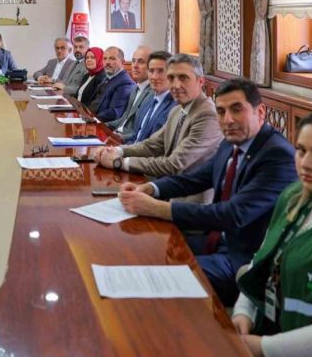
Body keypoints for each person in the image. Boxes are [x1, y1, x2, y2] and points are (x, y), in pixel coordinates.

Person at [117, 78, 297, 305]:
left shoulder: (277, 156)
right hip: (215, 240)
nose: (228, 120)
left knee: (160, 277)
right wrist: (150, 188)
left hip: (242, 258)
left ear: (260, 112)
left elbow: (232, 214)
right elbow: (195, 179)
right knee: (145, 248)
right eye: (221, 112)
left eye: (237, 109)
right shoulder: (230, 142)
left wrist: (158, 208)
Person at [232, 110, 312, 357]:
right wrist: (243, 311)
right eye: (301, 150)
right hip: (271, 334)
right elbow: (261, 261)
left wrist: (263, 347)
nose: (306, 163)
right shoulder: (294, 197)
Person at [94, 54, 222, 189]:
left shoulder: (208, 115)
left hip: (186, 197)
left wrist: (119, 162)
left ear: (200, 81)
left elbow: (174, 165)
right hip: (162, 187)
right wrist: (116, 150)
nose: (176, 85)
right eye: (171, 78)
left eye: (183, 78)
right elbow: (151, 145)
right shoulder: (177, 110)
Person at [125, 51, 176, 144]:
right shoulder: (148, 99)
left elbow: (159, 147)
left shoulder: (175, 106)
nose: (154, 77)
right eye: (151, 71)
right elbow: (136, 136)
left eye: (161, 71)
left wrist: (123, 151)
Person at [106, 46, 154, 139]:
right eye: (133, 61)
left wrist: (120, 138)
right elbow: (124, 120)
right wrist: (101, 125)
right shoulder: (135, 88)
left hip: (127, 141)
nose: (135, 66)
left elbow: (141, 131)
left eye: (141, 62)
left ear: (151, 66)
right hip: (116, 134)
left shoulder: (153, 93)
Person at [93, 47, 134, 122]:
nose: (107, 62)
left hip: (104, 124)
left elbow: (114, 113)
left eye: (112, 58)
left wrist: (92, 119)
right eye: (105, 59)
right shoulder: (107, 77)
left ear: (122, 62)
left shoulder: (125, 82)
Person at [76, 47, 108, 112]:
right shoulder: (86, 76)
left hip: (87, 113)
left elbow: (95, 104)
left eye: (92, 57)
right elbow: (78, 95)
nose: (89, 60)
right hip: (77, 109)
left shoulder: (102, 77)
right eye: (87, 58)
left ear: (100, 59)